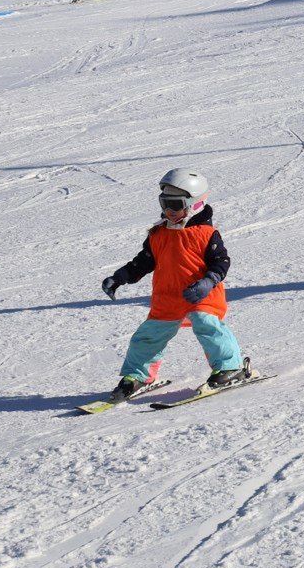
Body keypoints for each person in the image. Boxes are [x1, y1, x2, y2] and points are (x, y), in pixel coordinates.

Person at [98, 169, 247, 404]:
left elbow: (222, 262)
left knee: (207, 325)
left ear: (195, 204)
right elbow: (143, 261)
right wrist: (120, 277)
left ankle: (230, 367)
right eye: (164, 203)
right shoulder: (158, 234)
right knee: (147, 337)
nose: (169, 211)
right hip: (167, 297)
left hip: (201, 294)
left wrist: (208, 282)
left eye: (175, 205)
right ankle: (139, 376)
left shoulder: (207, 234)